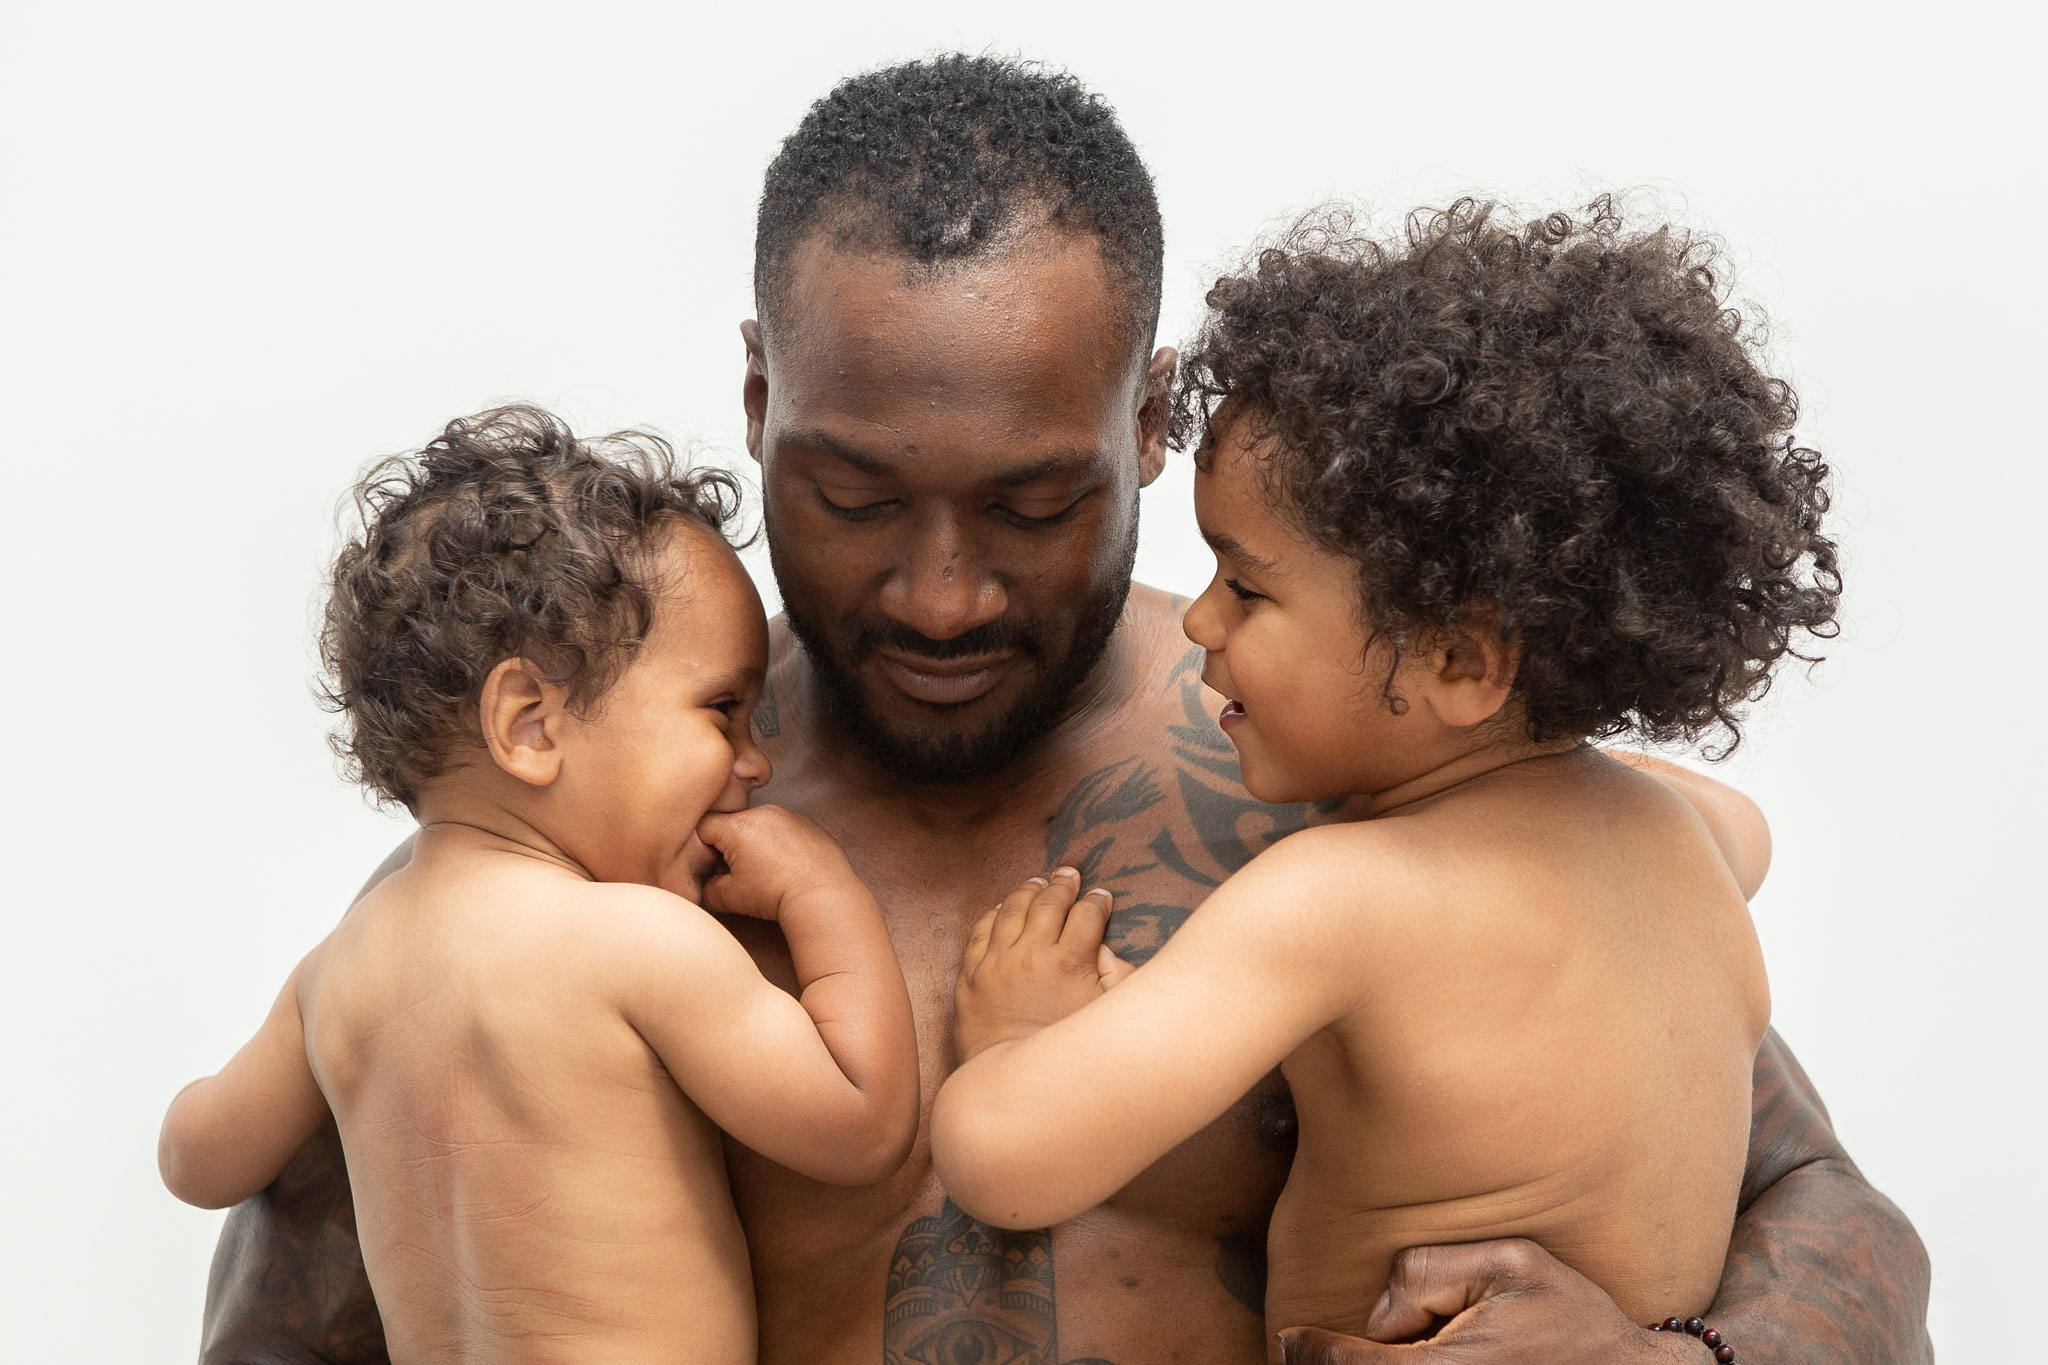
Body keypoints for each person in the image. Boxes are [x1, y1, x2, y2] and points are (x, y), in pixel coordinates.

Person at [196, 56, 1933, 1365]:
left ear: (1153, 423)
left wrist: (1671, 1362)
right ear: (754, 395)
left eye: (1031, 507)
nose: (940, 593)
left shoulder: (1374, 775)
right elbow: (296, 1302)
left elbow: (1827, 1213)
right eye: (859, 498)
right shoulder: (592, 835)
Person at [932, 199, 1834, 1346]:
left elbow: (1006, 1163)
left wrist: (1020, 1040)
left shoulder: (1337, 899)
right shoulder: (1699, 834)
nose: (1199, 621)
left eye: (1247, 588)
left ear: (1458, 659)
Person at [163, 407, 918, 1362]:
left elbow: (196, 1160)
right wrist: (826, 891)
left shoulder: (335, 975)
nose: (754, 761)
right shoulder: (636, 943)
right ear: (528, 723)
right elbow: (859, 1121)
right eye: (723, 710)